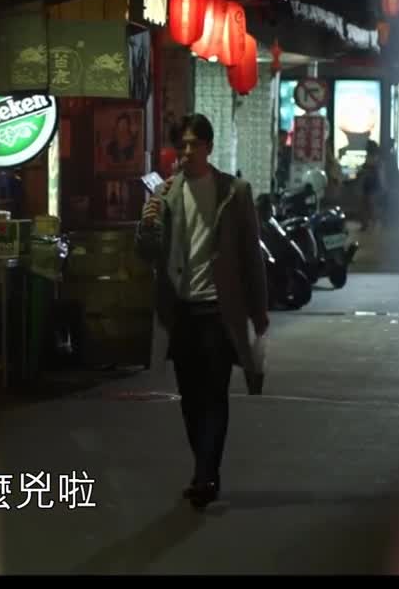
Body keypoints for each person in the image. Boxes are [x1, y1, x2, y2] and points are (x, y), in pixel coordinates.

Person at [136, 114, 269, 510]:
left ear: (209, 147)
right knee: (190, 397)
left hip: (218, 309)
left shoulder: (234, 192)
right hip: (181, 309)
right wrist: (146, 224)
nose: (188, 151)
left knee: (214, 393)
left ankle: (206, 474)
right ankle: (204, 467)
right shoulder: (166, 193)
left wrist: (258, 312)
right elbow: (147, 254)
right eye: (182, 145)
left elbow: (251, 256)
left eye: (195, 144)